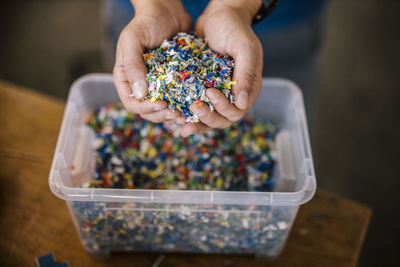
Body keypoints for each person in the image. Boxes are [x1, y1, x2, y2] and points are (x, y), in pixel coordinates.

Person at [107, 0, 327, 137]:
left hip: (278, 21)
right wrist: (153, 4)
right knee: (138, 105)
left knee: (284, 123)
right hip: (140, 11)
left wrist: (238, 6)